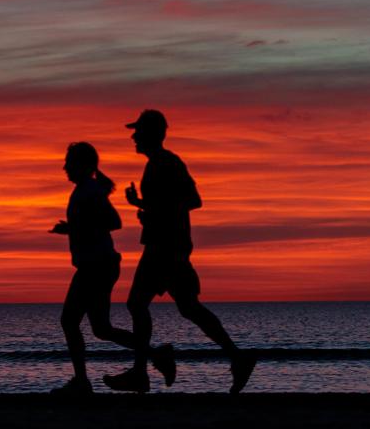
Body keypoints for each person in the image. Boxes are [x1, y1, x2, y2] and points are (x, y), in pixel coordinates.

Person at [103, 110, 256, 394]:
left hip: (166, 247)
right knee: (187, 308)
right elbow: (168, 203)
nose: (133, 137)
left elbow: (193, 200)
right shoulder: (156, 164)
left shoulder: (167, 162)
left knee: (141, 304)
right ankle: (237, 357)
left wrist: (153, 209)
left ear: (152, 133)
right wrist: (141, 203)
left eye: (138, 131)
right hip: (164, 245)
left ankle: (142, 372)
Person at [49, 141, 175, 395]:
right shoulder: (85, 190)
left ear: (83, 165)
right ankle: (157, 355)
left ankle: (82, 382)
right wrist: (73, 228)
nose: (65, 167)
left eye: (69, 162)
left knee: (69, 320)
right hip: (97, 264)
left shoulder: (90, 190)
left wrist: (72, 228)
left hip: (96, 266)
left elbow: (113, 221)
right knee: (101, 328)